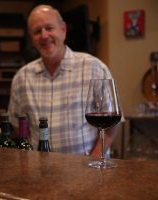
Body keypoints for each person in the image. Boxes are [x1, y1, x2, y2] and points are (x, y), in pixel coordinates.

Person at [8, 4, 122, 157]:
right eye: (37, 31)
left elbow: (113, 123)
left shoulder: (94, 68)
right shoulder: (21, 78)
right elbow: (18, 124)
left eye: (49, 28)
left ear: (63, 30)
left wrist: (94, 159)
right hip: (40, 174)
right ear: (31, 38)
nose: (44, 36)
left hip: (88, 173)